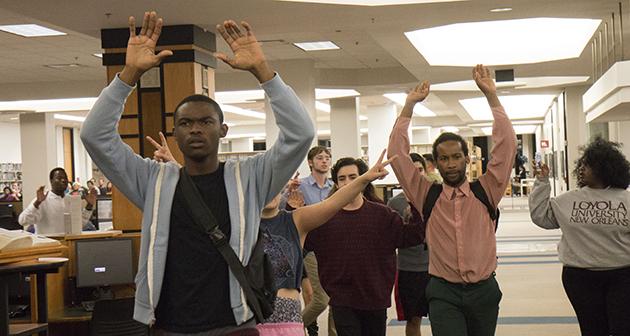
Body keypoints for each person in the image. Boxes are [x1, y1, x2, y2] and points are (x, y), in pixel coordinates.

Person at [80, 11, 314, 335]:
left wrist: (263, 71)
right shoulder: (154, 182)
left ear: (223, 131)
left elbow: (300, 134)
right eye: (186, 123)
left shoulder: (249, 178)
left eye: (206, 122)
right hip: (170, 326)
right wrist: (129, 74)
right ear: (174, 133)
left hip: (235, 325)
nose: (195, 130)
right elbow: (95, 136)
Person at [387, 64, 516, 336]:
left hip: (484, 290)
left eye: (456, 156)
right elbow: (397, 155)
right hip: (443, 290)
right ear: (437, 163)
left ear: (466, 159)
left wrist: (492, 97)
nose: (451, 164)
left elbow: (506, 146)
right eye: (444, 158)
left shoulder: (487, 190)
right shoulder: (426, 195)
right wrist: (408, 107)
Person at [304, 157, 425, 336]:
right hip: (341, 299)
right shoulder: (326, 218)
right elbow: (303, 240)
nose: (347, 183)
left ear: (364, 179)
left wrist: (415, 205)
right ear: (336, 184)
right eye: (342, 178)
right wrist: (293, 208)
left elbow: (410, 237)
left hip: (376, 298)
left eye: (353, 177)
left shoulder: (382, 214)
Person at [529, 137, 630, 336]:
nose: (582, 169)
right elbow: (542, 217)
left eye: (588, 164)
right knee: (592, 329)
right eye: (581, 164)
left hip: (623, 276)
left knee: (623, 328)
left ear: (605, 168)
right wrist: (542, 182)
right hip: (579, 277)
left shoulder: (626, 200)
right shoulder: (567, 200)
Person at [388, 153, 429, 336]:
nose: (415, 175)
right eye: (410, 171)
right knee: (414, 319)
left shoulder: (437, 196)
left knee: (442, 316)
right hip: (408, 269)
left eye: (419, 170)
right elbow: (391, 238)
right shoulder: (394, 203)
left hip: (437, 267)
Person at [18, 167, 96, 235]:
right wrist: (37, 203)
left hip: (69, 245)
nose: (63, 180)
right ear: (51, 181)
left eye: (65, 178)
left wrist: (89, 206)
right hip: (49, 246)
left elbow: (79, 224)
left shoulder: (71, 199)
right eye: (59, 178)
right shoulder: (42, 200)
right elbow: (22, 221)